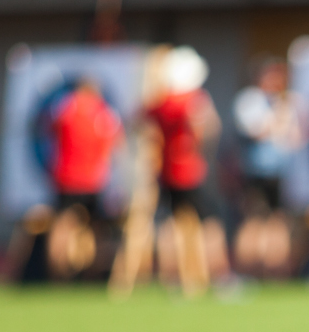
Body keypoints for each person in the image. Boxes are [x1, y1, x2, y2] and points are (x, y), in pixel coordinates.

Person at [140, 46, 224, 295]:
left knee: (171, 223)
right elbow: (207, 129)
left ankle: (172, 276)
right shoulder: (193, 100)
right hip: (190, 171)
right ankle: (219, 274)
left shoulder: (162, 102)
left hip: (167, 172)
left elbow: (140, 121)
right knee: (210, 222)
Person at [230, 56, 305, 275]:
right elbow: (257, 132)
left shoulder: (283, 102)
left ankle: (275, 271)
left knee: (278, 220)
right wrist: (278, 117)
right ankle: (247, 270)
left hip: (280, 171)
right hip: (257, 171)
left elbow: (295, 138)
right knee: (253, 219)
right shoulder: (249, 100)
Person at [46, 76, 124, 278]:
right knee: (97, 227)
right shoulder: (103, 111)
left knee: (62, 224)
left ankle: (57, 272)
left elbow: (48, 131)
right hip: (93, 179)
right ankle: (94, 273)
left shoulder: (63, 107)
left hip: (65, 176)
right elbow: (117, 142)